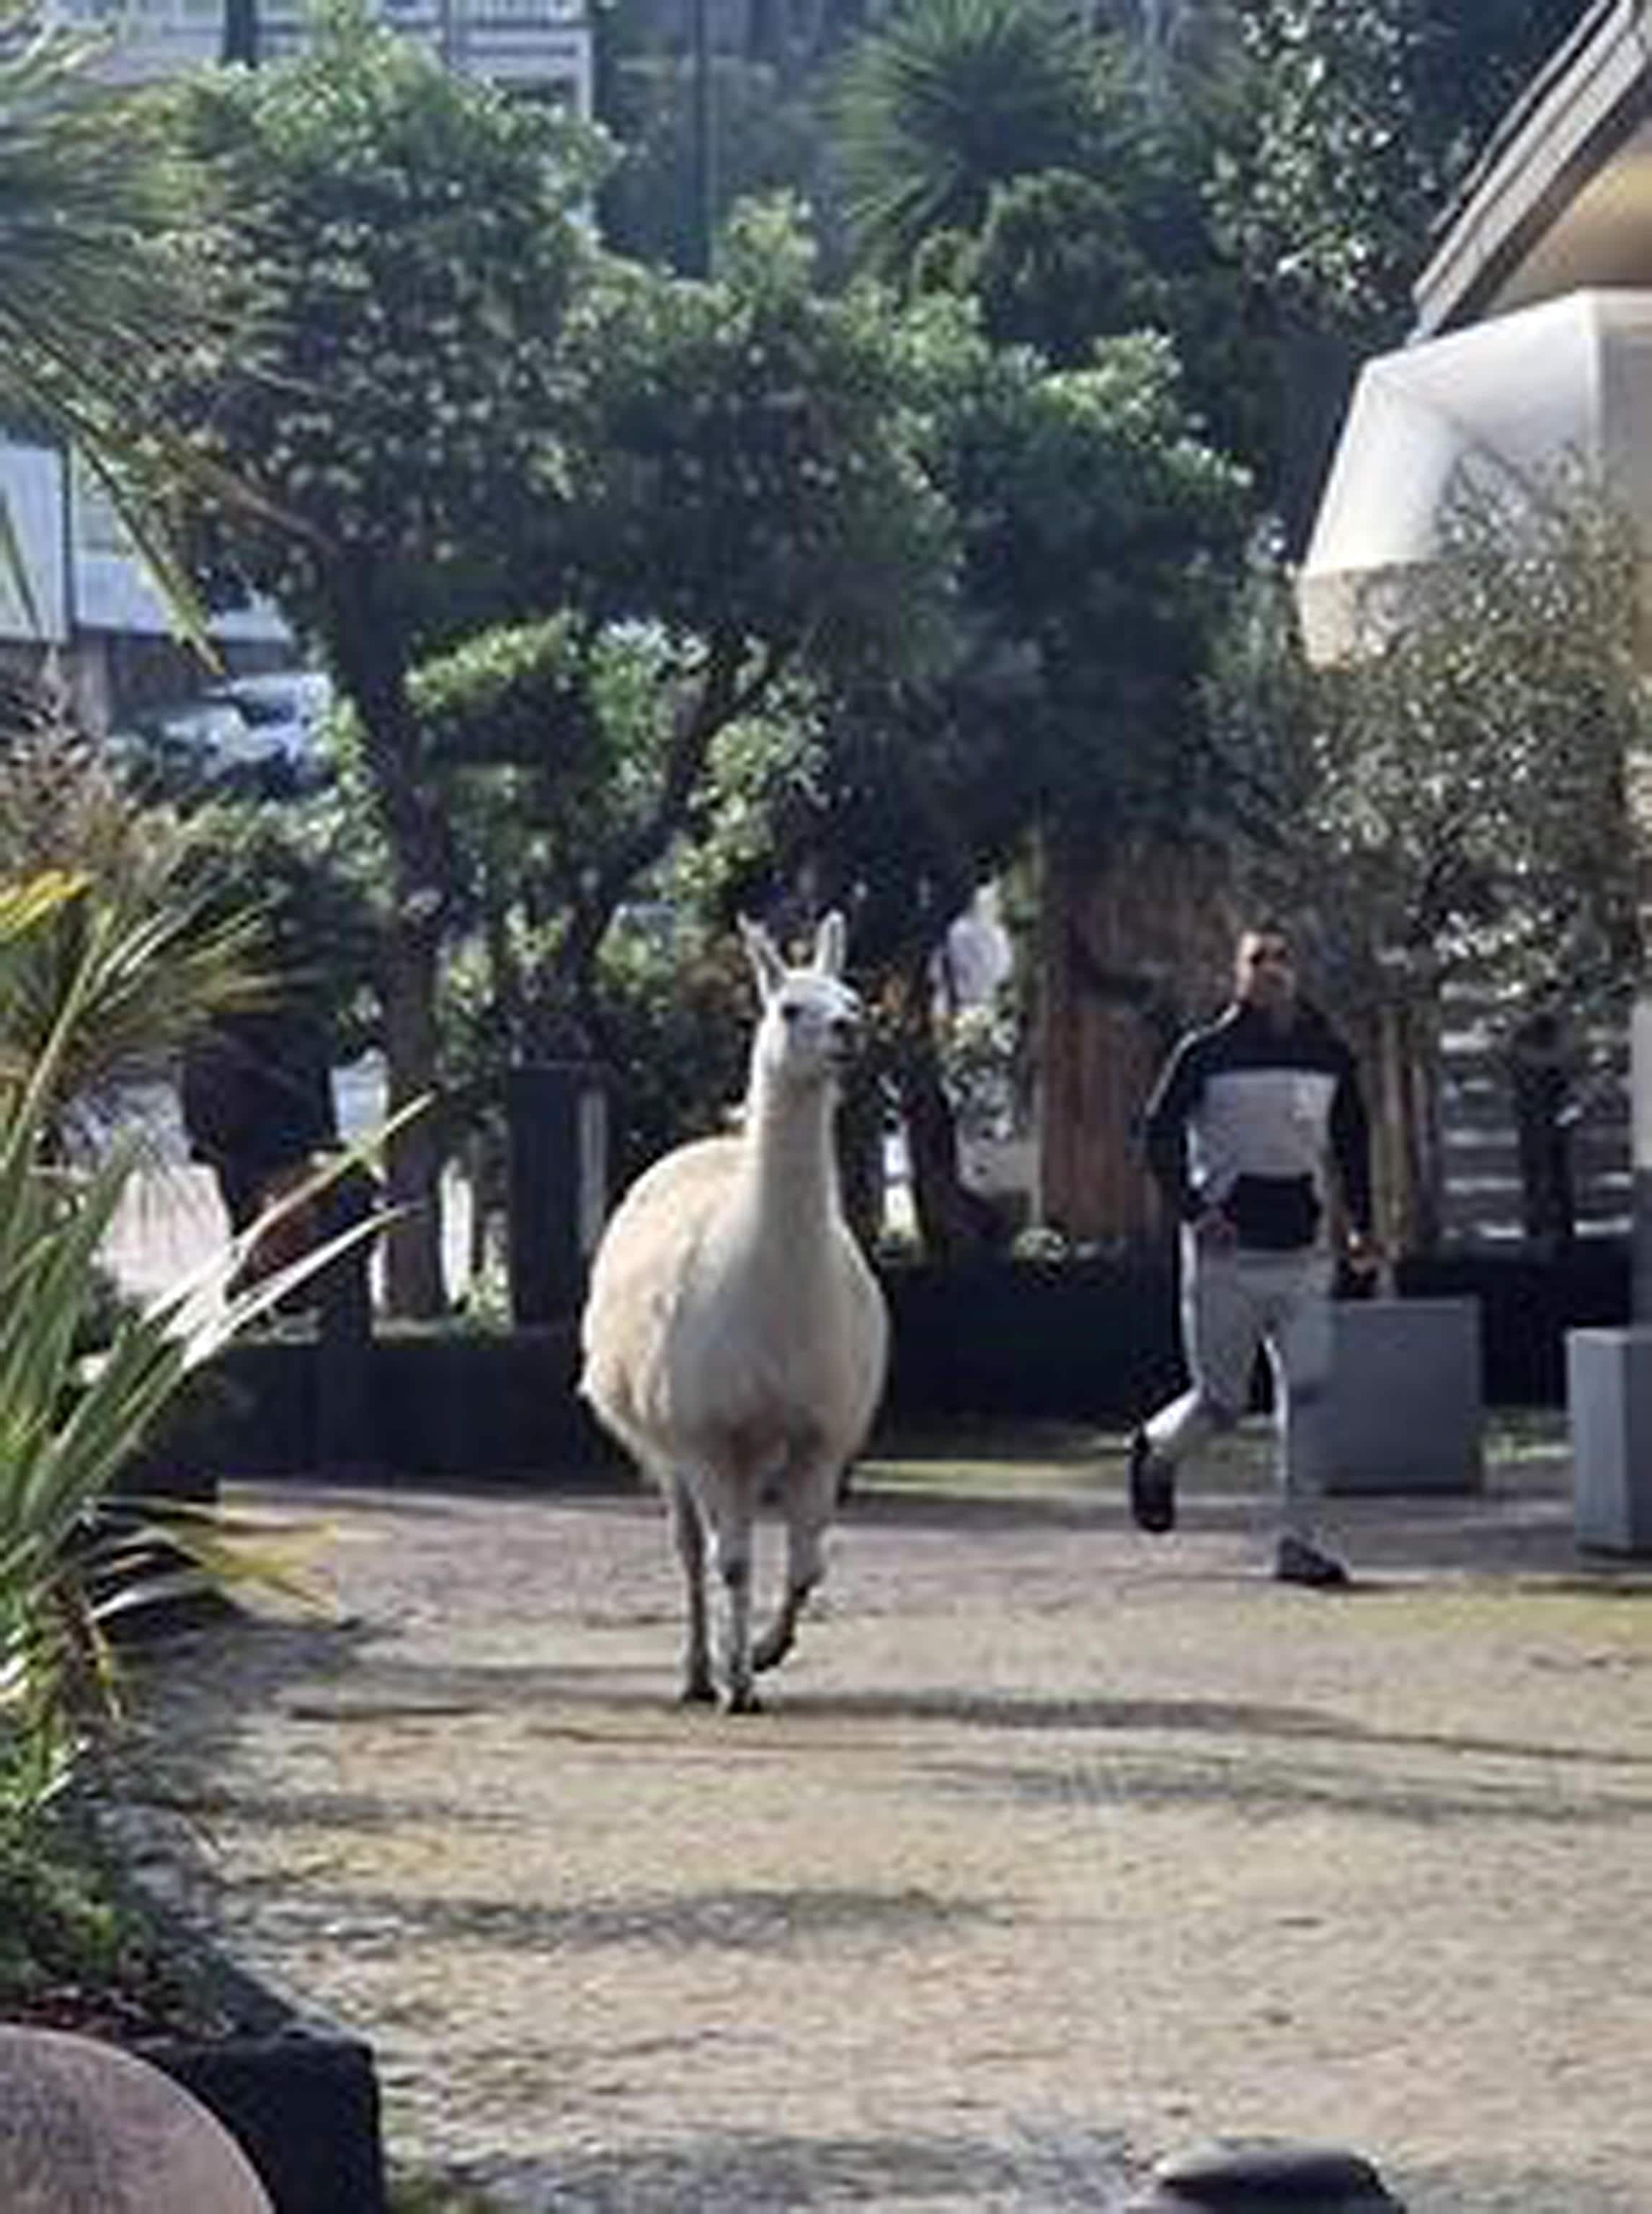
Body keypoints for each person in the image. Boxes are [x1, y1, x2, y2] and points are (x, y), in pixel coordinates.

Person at [1127, 923, 1381, 1588]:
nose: (1272, 971)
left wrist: (1363, 1227)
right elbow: (1156, 1137)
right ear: (1238, 973)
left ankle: (1298, 1544)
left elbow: (1353, 1144)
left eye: (1283, 960)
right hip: (1226, 1260)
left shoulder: (1329, 1055)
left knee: (1311, 1391)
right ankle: (1156, 1452)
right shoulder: (1203, 1054)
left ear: (1298, 971)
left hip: (1303, 1256)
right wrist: (1193, 1210)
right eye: (1257, 960)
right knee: (1222, 1403)